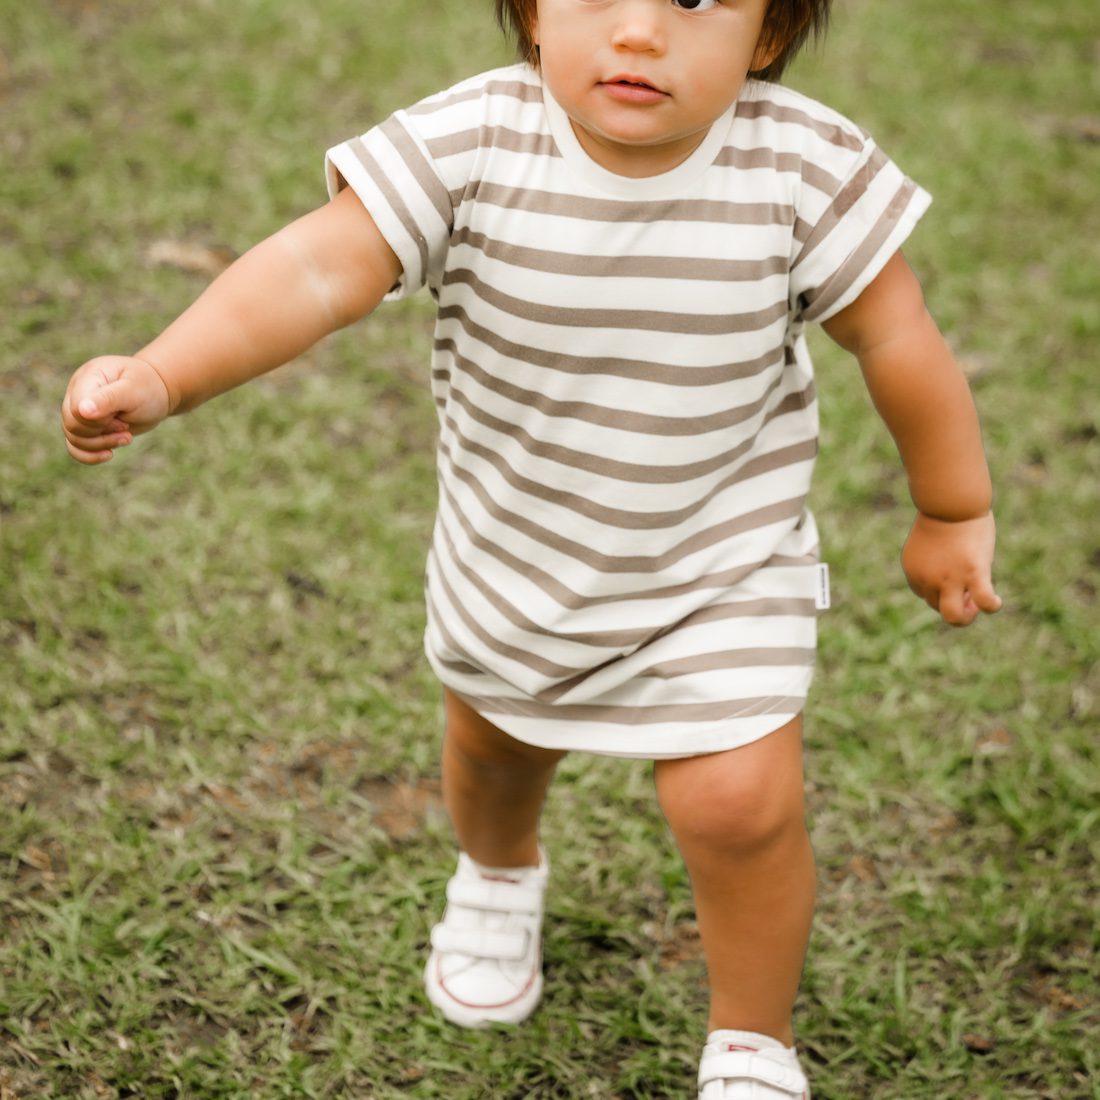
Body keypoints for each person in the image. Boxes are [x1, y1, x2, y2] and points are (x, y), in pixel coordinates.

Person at [61, 0, 1002, 1094]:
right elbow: (315, 270)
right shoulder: (470, 143)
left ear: (767, 35)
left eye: (697, 1)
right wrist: (165, 372)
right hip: (518, 551)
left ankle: (751, 1033)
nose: (640, 32)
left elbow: (895, 334)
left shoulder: (799, 164)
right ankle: (498, 870)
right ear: (530, 11)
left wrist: (949, 507)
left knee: (739, 802)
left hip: (719, 564)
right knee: (497, 751)